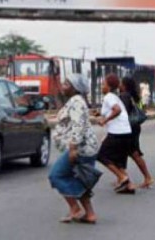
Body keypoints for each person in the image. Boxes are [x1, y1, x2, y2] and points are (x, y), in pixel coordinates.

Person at [49, 74, 99, 224]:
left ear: (75, 87)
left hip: (80, 148)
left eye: (66, 84)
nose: (63, 87)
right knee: (79, 179)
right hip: (84, 147)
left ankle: (75, 208)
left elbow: (78, 125)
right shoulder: (75, 101)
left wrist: (73, 148)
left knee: (56, 175)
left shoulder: (76, 102)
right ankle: (89, 214)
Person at [96, 74, 136, 194]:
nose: (101, 87)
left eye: (103, 84)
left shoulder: (109, 96)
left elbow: (117, 110)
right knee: (117, 160)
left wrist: (104, 120)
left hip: (118, 132)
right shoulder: (114, 97)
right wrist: (99, 115)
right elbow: (114, 111)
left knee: (102, 156)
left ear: (108, 87)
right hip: (125, 132)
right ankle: (129, 185)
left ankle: (123, 178)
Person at [120, 76, 154, 189]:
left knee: (134, 153)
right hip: (135, 126)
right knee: (124, 152)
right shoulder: (135, 97)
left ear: (124, 85)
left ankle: (147, 177)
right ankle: (121, 177)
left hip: (129, 127)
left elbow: (123, 112)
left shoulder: (125, 96)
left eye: (121, 83)